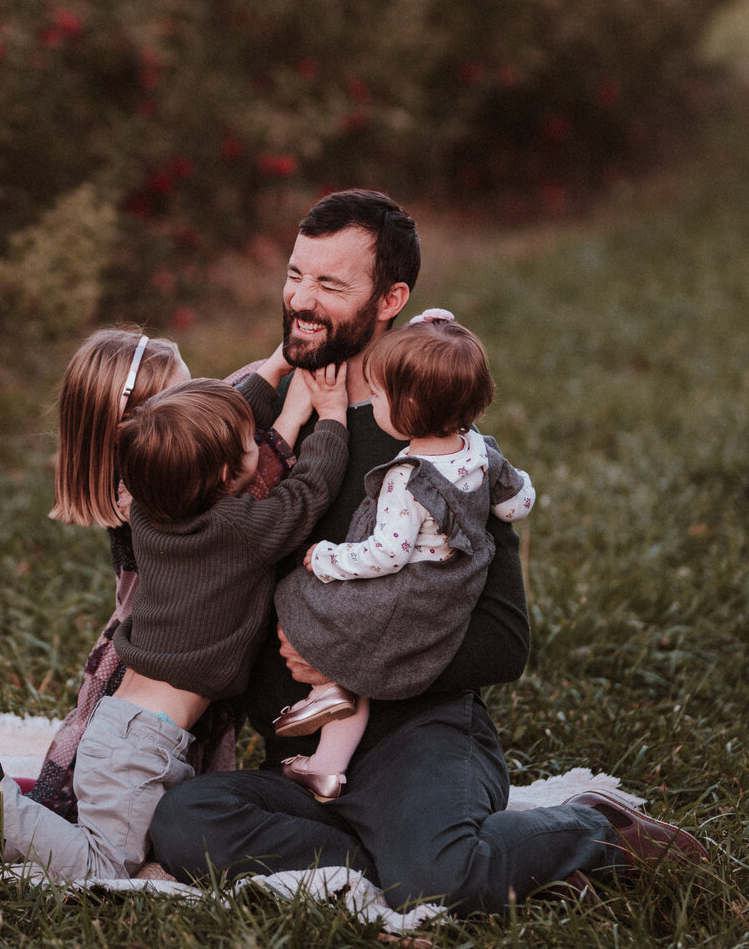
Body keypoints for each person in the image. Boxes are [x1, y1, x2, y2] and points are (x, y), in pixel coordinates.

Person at [150, 188, 708, 912]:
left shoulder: (438, 444)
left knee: (434, 882)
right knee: (183, 822)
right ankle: (406, 854)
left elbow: (503, 642)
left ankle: (591, 827)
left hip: (421, 733)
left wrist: (351, 657)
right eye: (295, 274)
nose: (301, 300)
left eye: (330, 284)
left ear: (392, 298)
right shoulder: (245, 425)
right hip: (307, 759)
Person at [0, 335, 351, 882]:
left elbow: (219, 430)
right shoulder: (239, 532)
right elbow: (309, 492)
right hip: (141, 743)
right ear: (225, 475)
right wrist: (334, 420)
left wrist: (273, 370)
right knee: (109, 866)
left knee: (110, 847)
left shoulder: (149, 514)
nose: (262, 445)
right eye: (252, 444)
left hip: (130, 731)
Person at [273, 313, 534, 803]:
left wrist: (328, 557)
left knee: (301, 597)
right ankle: (328, 761)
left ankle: (328, 693)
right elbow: (516, 502)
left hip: (404, 592)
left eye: (381, 396)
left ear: (409, 407)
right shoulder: (480, 451)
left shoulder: (406, 479)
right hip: (452, 585)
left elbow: (387, 554)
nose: (374, 404)